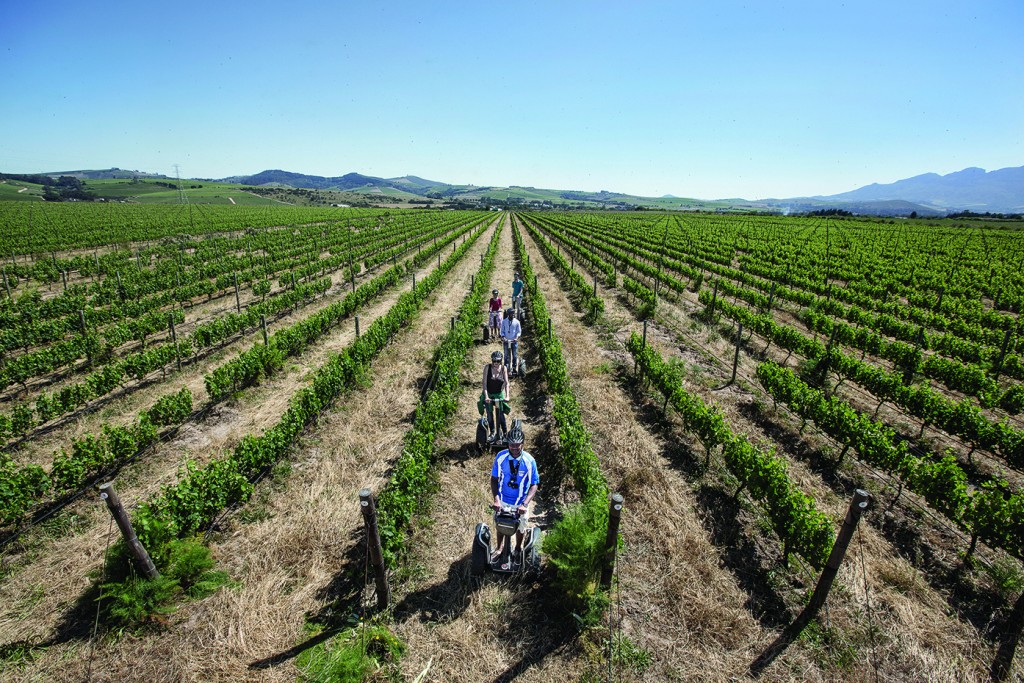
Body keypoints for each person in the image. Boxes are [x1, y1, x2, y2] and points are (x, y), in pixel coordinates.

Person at [490, 421, 539, 565]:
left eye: (518, 445)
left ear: (522, 444)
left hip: (520, 502)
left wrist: (525, 504)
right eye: (512, 445)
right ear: (508, 444)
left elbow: (534, 484)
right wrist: (496, 500)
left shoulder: (529, 461)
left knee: (521, 526)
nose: (515, 448)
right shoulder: (501, 457)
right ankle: (499, 548)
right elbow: (494, 479)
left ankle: (517, 548)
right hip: (504, 499)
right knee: (500, 524)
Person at [478, 350, 510, 443]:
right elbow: (484, 384)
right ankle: (492, 433)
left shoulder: (504, 368)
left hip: (498, 394)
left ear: (501, 361)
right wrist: (486, 396)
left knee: (500, 415)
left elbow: (507, 383)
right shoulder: (487, 368)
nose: (495, 363)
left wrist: (507, 396)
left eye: (498, 361)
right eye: (494, 361)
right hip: (489, 393)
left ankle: (504, 433)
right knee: (489, 415)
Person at [499, 308, 522, 376]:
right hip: (506, 341)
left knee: (514, 355)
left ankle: (514, 368)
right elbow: (502, 331)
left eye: (513, 313)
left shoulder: (517, 322)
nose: (513, 315)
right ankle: (506, 368)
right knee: (506, 355)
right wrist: (503, 337)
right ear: (508, 314)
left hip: (514, 341)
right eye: (512, 313)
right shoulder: (504, 321)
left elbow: (519, 331)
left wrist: (516, 337)